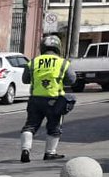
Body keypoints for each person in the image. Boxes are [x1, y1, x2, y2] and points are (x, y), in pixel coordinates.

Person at [20, 34, 73, 163]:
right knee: (54, 127)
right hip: (54, 100)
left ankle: (25, 150)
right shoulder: (63, 63)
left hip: (35, 100)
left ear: (42, 47)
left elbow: (25, 79)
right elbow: (72, 79)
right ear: (58, 48)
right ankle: (50, 153)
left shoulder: (33, 62)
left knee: (30, 126)